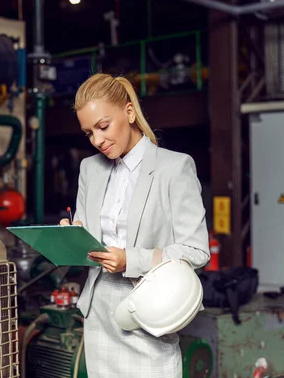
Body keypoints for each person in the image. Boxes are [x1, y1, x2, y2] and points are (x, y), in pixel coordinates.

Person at [59, 73, 210, 378]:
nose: (97, 140)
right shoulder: (90, 169)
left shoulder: (174, 168)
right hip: (100, 312)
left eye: (103, 127)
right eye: (89, 133)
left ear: (129, 112)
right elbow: (89, 237)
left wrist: (131, 259)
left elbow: (196, 251)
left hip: (149, 308)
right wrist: (71, 235)